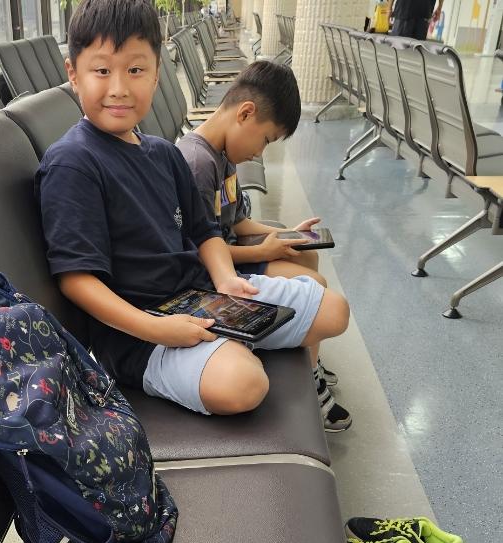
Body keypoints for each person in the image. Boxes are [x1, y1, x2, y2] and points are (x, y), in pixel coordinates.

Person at [36, 0, 351, 428]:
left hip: (200, 294)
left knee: (334, 311)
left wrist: (226, 279)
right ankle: (229, 351)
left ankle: (230, 344)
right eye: (102, 70)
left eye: (135, 70)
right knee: (244, 384)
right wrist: (158, 330)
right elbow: (76, 280)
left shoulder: (164, 155)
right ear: (73, 74)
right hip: (137, 333)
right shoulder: (72, 163)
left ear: (156, 74)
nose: (119, 88)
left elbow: (205, 232)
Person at [176, 60, 348, 427]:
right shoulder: (197, 163)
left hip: (229, 257)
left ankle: (309, 361)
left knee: (305, 260)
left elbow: (236, 222)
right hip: (215, 271)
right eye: (266, 140)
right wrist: (261, 252)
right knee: (315, 284)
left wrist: (285, 235)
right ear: (245, 113)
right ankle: (309, 377)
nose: (260, 152)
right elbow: (200, 248)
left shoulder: (223, 155)